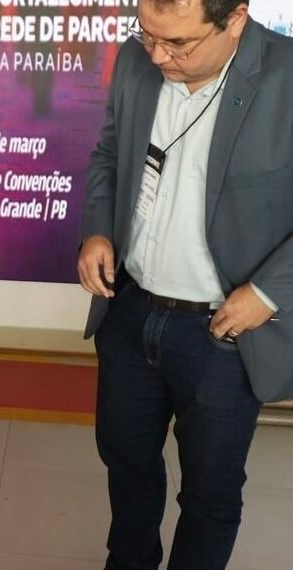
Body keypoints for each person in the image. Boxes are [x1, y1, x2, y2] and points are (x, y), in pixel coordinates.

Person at [78, 1, 293, 568]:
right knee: (127, 468)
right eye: (147, 35)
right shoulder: (136, 60)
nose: (157, 56)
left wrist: (268, 293)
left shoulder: (286, 77)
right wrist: (97, 230)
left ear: (235, 19)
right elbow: (109, 154)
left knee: (209, 495)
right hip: (130, 313)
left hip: (222, 332)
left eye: (178, 44)